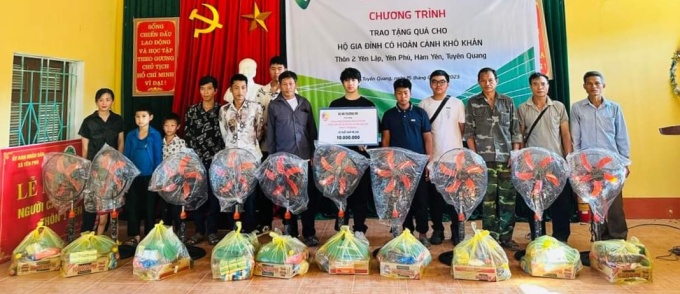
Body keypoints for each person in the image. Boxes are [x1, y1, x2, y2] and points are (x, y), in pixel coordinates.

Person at [464, 67, 523, 250]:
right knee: (488, 201)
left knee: (507, 201)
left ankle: (506, 237)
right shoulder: (473, 103)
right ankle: (490, 239)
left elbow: (515, 130)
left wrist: (514, 153)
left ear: (496, 81)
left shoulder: (507, 102)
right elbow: (469, 133)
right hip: (484, 159)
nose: (487, 83)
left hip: (506, 159)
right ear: (478, 82)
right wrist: (475, 158)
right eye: (483, 80)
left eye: (490, 80)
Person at [571, 71, 630, 240]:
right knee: (595, 202)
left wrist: (624, 163)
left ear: (603, 86)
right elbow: (576, 138)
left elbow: (622, 136)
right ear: (584, 87)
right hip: (589, 166)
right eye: (589, 83)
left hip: (611, 165)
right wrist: (577, 164)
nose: (593, 86)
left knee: (614, 203)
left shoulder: (614, 108)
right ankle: (599, 239)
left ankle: (618, 239)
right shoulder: (577, 108)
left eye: (597, 83)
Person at [517, 72, 573, 242]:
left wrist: (568, 158)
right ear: (530, 86)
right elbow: (520, 136)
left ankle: (561, 238)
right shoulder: (523, 108)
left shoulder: (558, 107)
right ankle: (537, 237)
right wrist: (521, 160)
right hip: (533, 165)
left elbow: (565, 134)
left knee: (560, 202)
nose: (539, 87)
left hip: (556, 163)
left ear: (548, 86)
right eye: (535, 84)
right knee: (535, 202)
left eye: (543, 84)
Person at [267, 70, 320, 246]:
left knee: (306, 197)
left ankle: (309, 233)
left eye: (291, 83)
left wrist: (313, 153)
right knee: (287, 197)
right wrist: (274, 159)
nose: (288, 87)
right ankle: (290, 230)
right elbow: (271, 135)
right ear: (280, 85)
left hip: (304, 158)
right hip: (284, 159)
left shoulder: (305, 103)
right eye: (284, 84)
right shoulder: (274, 106)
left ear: (295, 84)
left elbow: (312, 130)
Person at [381, 78, 433, 248]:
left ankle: (423, 234)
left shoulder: (420, 113)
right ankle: (406, 233)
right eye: (399, 93)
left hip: (417, 166)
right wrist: (387, 164)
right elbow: (386, 141)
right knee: (401, 201)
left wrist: (428, 161)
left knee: (421, 201)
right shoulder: (388, 115)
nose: (402, 96)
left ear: (410, 93)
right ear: (395, 94)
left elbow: (427, 138)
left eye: (405, 93)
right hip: (396, 167)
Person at [328, 67, 377, 240]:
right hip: (341, 159)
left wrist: (368, 142)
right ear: (342, 83)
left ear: (359, 82)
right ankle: (342, 229)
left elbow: (375, 133)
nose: (350, 83)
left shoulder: (368, 105)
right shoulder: (335, 105)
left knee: (360, 195)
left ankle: (359, 230)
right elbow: (330, 134)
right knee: (341, 194)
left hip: (361, 160)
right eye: (347, 80)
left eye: (353, 80)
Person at [418, 69, 466, 245]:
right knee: (435, 199)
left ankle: (456, 229)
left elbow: (462, 130)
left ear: (448, 84)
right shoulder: (423, 105)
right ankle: (438, 229)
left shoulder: (457, 103)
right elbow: (423, 134)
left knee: (454, 198)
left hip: (454, 159)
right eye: (435, 81)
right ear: (430, 84)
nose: (438, 85)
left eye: (442, 81)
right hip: (434, 160)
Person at [218, 73, 264, 233]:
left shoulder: (255, 107)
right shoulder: (224, 110)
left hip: (250, 157)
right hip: (231, 158)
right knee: (233, 192)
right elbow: (224, 133)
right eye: (236, 88)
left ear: (247, 89)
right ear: (231, 90)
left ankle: (250, 228)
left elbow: (259, 132)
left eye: (243, 87)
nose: (239, 91)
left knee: (250, 194)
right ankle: (234, 229)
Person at [185, 75, 226, 246]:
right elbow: (188, 136)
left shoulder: (222, 111)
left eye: (209, 88)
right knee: (198, 196)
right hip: (197, 161)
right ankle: (199, 230)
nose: (205, 92)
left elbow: (226, 137)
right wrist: (193, 159)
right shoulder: (192, 111)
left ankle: (212, 231)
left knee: (214, 197)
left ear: (216, 91)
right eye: (202, 89)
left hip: (217, 161)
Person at [78, 88, 125, 234]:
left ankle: (103, 235)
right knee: (91, 201)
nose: (104, 103)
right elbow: (85, 148)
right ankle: (86, 234)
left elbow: (121, 141)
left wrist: (118, 162)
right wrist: (86, 167)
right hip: (94, 167)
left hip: (112, 167)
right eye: (101, 100)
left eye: (107, 99)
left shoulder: (118, 120)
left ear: (112, 101)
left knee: (109, 201)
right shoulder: (88, 121)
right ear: (96, 101)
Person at [253, 56, 288, 231]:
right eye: (273, 68)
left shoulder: (288, 92)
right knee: (265, 185)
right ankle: (265, 221)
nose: (276, 72)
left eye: (279, 68)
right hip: (263, 146)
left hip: (283, 147)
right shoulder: (260, 91)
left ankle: (287, 223)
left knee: (284, 184)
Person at [123, 104, 163, 246]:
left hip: (150, 176)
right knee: (133, 206)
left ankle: (149, 235)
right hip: (134, 177)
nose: (140, 119)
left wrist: (157, 178)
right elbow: (126, 157)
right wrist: (126, 177)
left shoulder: (155, 135)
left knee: (150, 207)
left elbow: (158, 157)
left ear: (150, 117)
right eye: (138, 116)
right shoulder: (131, 135)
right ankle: (134, 236)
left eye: (144, 116)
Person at [161, 112, 186, 233]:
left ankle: (180, 233)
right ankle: (167, 234)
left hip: (176, 179)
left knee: (176, 208)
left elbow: (184, 162)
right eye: (166, 125)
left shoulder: (181, 143)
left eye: (172, 125)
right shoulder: (160, 142)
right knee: (165, 208)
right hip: (164, 180)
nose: (169, 128)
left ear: (178, 127)